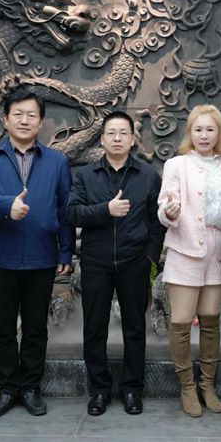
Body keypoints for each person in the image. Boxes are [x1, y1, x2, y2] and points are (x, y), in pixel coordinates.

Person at [0, 88, 73, 418]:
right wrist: (5, 205)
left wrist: (65, 252)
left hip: (42, 257)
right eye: (18, 114)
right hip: (1, 257)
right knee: (2, 328)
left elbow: (66, 209)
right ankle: (7, 388)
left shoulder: (57, 161)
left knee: (36, 327)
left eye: (32, 115)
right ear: (5, 119)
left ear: (40, 122)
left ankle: (31, 387)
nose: (25, 120)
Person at [68, 111, 165, 416]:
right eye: (111, 133)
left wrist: (150, 256)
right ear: (102, 140)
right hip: (95, 261)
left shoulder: (148, 175)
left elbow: (157, 221)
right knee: (94, 328)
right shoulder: (86, 175)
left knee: (134, 328)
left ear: (133, 139)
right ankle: (99, 390)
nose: (117, 138)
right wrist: (105, 210)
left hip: (134, 261)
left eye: (123, 133)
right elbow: (72, 213)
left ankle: (132, 389)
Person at [157, 105, 221, 417]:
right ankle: (187, 386)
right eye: (198, 129)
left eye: (210, 129)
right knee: (180, 322)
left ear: (219, 133)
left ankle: (207, 384)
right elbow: (164, 205)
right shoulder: (176, 165)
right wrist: (169, 212)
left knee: (210, 320)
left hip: (218, 252)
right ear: (190, 133)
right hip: (185, 249)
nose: (204, 135)